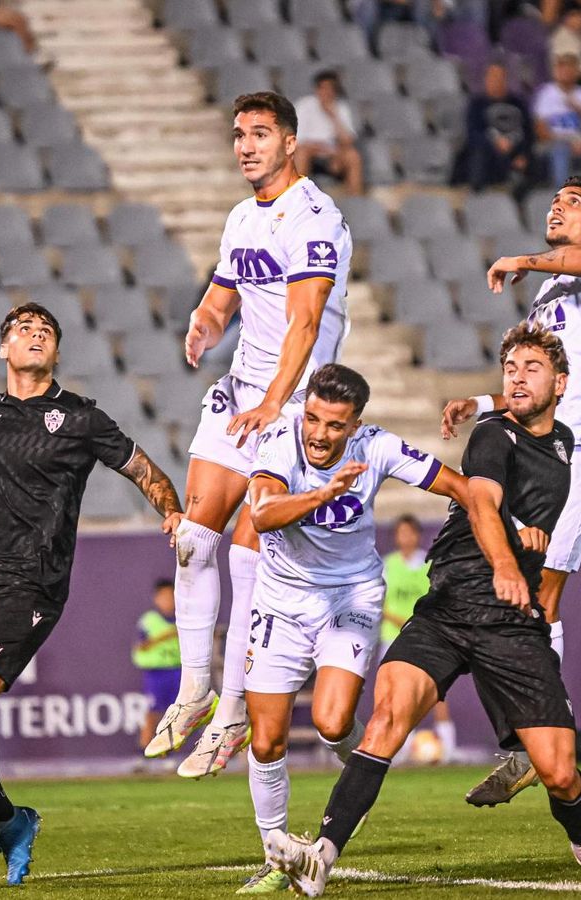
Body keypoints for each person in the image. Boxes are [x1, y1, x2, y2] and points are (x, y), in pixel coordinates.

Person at [265, 326, 581, 896]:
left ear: (560, 383)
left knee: (561, 772)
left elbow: (515, 497)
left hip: (512, 624)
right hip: (450, 605)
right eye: (509, 367)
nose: (517, 375)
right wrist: (505, 559)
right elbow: (483, 501)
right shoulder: (494, 437)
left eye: (531, 367)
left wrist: (522, 542)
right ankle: (322, 854)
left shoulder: (565, 443)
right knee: (388, 719)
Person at [0, 302, 185, 887]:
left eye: (45, 331)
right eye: (23, 330)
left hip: (35, 580)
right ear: (4, 348)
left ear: (55, 353)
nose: (34, 335)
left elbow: (142, 468)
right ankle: (10, 822)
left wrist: (175, 513)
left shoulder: (80, 417)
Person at [149, 91, 353, 780]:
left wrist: (274, 403)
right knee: (191, 540)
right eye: (239, 134)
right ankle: (194, 692)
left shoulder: (314, 217)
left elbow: (305, 319)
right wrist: (202, 327)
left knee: (245, 554)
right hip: (240, 392)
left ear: (289, 143)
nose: (245, 146)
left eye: (260, 134)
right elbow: (220, 297)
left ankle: (233, 712)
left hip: (293, 405)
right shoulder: (242, 216)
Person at [235, 364, 472, 892]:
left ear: (356, 424)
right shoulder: (279, 438)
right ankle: (277, 853)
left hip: (350, 596)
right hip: (280, 603)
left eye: (334, 425)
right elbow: (262, 515)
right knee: (268, 740)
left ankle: (356, 781)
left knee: (333, 721)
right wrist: (323, 493)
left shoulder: (379, 447)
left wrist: (504, 528)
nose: (319, 435)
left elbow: (457, 485)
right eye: (314, 419)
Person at [441, 176, 581, 807]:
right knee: (516, 599)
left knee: (543, 591)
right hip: (538, 452)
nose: (558, 205)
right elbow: (540, 385)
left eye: (574, 202)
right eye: (556, 198)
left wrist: (521, 257)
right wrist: (486, 400)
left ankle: (546, 736)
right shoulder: (550, 295)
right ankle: (529, 738)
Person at [380, 514, 455, 763]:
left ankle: (448, 746)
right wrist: (398, 621)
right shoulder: (387, 565)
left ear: (417, 535)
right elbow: (379, 603)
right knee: (396, 696)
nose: (406, 537)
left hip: (424, 635)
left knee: (434, 692)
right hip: (393, 637)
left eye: (410, 532)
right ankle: (400, 748)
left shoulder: (426, 564)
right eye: (401, 533)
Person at [534, 55, 581, 187]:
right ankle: (561, 197)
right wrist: (567, 142)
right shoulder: (546, 94)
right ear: (556, 71)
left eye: (570, 69)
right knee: (561, 150)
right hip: (554, 141)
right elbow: (540, 131)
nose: (567, 73)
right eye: (563, 69)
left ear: (577, 72)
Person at [460, 62, 532, 192]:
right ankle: (478, 194)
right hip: (488, 151)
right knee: (478, 155)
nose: (496, 80)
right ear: (486, 79)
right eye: (493, 76)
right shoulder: (476, 104)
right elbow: (473, 133)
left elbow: (528, 132)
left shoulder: (518, 103)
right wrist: (496, 143)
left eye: (500, 77)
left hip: (515, 150)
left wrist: (523, 154)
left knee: (533, 159)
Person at [294, 71, 365, 197]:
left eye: (331, 88)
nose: (327, 92)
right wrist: (323, 149)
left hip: (333, 155)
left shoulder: (341, 107)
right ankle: (298, 197)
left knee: (353, 157)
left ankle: (355, 199)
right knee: (302, 153)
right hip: (309, 152)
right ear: (317, 89)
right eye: (324, 88)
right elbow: (297, 141)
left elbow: (348, 140)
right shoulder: (304, 106)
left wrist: (333, 117)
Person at [134, 580, 183, 756]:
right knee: (153, 712)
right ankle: (144, 752)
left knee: (178, 714)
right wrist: (166, 635)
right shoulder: (149, 621)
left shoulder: (186, 617)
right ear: (156, 599)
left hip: (180, 671)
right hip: (157, 673)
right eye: (164, 597)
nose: (168, 600)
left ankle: (170, 752)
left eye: (171, 596)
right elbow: (140, 647)